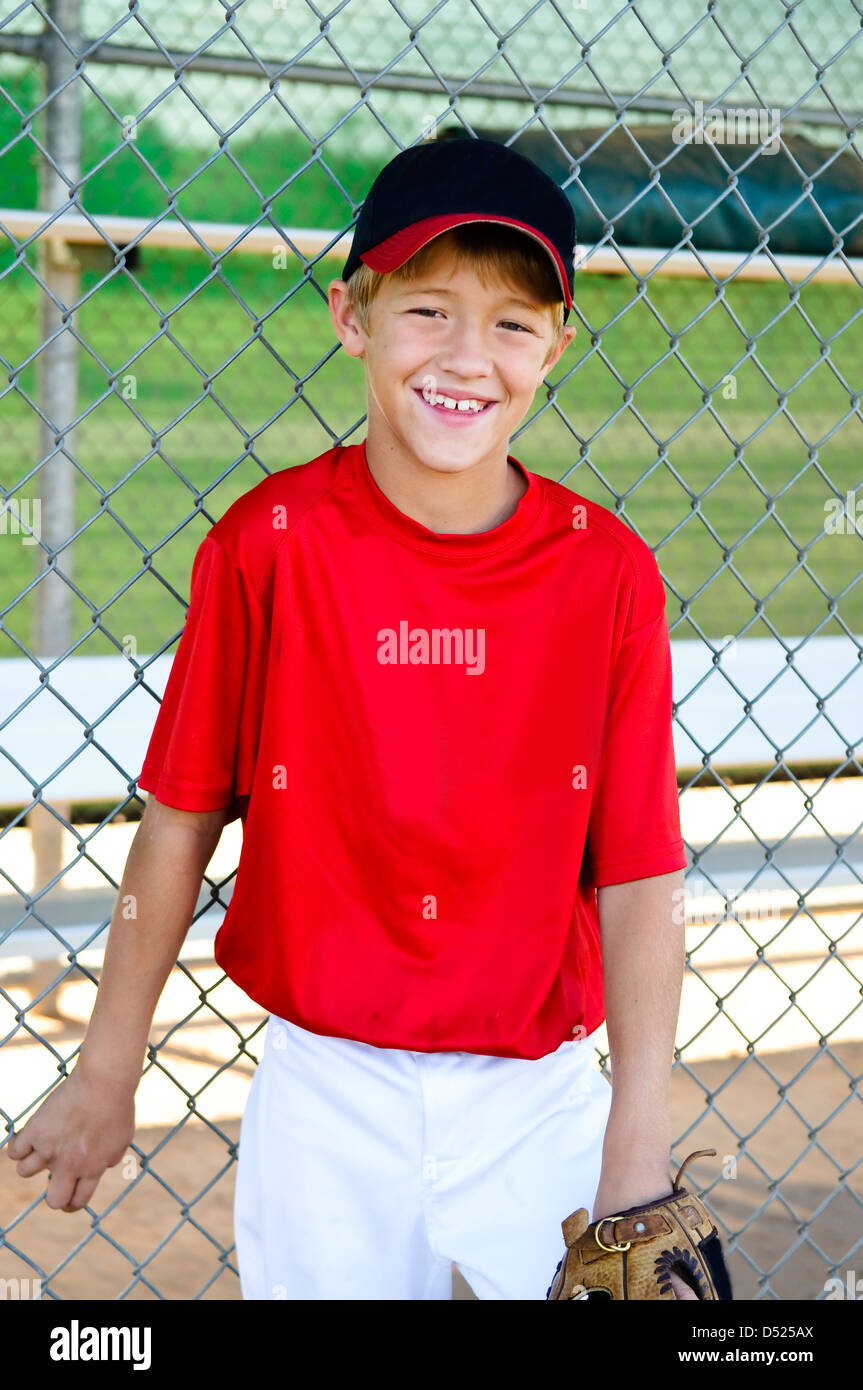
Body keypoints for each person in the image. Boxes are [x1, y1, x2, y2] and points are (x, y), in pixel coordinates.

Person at [6, 136, 696, 1300]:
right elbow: (176, 825)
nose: (468, 358)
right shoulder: (267, 548)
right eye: (427, 310)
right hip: (325, 1092)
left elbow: (637, 874)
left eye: (514, 324)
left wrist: (632, 1154)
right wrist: (106, 1072)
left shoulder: (605, 574)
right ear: (352, 318)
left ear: (556, 348)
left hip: (538, 1095)